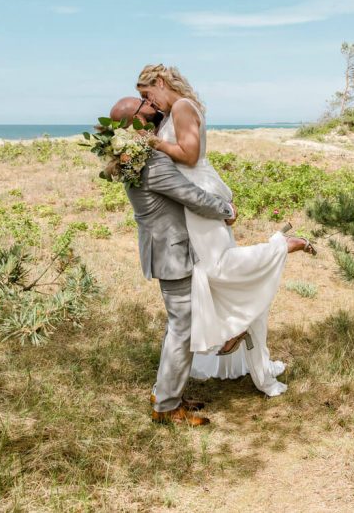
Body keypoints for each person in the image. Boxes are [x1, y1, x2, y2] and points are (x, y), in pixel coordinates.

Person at [136, 64, 314, 398]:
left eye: (147, 94)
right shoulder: (171, 113)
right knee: (208, 273)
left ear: (160, 82)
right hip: (189, 200)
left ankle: (279, 247)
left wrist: (153, 144)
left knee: (217, 266)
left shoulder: (184, 107)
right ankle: (237, 327)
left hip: (196, 193)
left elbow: (189, 156)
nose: (149, 103)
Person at [108, 96, 234, 427]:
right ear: (135, 121)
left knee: (177, 326)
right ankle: (166, 406)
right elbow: (191, 196)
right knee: (183, 328)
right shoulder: (150, 161)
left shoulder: (133, 157)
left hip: (164, 248)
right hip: (173, 252)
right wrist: (227, 210)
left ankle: (166, 392)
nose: (151, 106)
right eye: (143, 105)